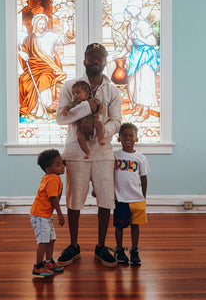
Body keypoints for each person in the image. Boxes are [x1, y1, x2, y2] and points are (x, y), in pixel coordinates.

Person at [55, 43, 122, 267]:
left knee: (105, 199)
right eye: (91, 58)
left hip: (103, 151)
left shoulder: (113, 91)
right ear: (84, 60)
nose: (95, 61)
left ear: (105, 62)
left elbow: (117, 121)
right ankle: (73, 246)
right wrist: (87, 107)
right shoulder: (70, 86)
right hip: (76, 151)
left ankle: (101, 246)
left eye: (100, 58)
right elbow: (61, 118)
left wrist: (96, 131)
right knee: (74, 200)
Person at [19, 13, 72, 118]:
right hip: (33, 68)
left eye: (44, 23)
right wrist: (21, 53)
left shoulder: (51, 36)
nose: (42, 26)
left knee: (44, 78)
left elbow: (65, 39)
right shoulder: (28, 39)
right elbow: (22, 52)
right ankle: (35, 107)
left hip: (48, 68)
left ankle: (41, 106)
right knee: (23, 80)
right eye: (40, 24)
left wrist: (71, 26)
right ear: (35, 25)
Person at [112, 5, 159, 122]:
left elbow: (153, 41)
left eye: (126, 13)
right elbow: (130, 44)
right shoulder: (129, 26)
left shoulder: (143, 25)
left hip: (146, 57)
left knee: (145, 82)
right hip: (135, 55)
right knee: (135, 82)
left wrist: (140, 38)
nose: (124, 15)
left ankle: (146, 111)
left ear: (132, 14)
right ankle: (138, 107)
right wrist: (120, 55)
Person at [113, 123, 150, 266]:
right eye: (124, 135)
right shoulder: (115, 155)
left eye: (131, 135)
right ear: (119, 138)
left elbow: (144, 178)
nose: (128, 138)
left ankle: (134, 250)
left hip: (137, 198)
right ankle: (119, 249)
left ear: (136, 138)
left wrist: (144, 196)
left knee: (135, 226)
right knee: (120, 226)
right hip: (121, 198)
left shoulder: (140, 158)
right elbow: (108, 173)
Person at [30, 149, 66, 278]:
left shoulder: (53, 177)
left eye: (62, 163)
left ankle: (49, 262)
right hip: (40, 215)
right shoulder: (52, 179)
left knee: (51, 239)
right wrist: (60, 215)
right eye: (58, 164)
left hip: (45, 215)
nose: (62, 166)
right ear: (49, 169)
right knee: (43, 241)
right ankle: (38, 267)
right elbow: (53, 198)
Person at [61, 81, 105, 159]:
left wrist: (98, 113)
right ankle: (87, 152)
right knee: (79, 137)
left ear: (86, 93)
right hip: (81, 127)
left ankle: (100, 139)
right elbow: (67, 107)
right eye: (73, 94)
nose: (75, 95)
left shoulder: (93, 100)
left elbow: (101, 106)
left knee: (100, 124)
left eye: (78, 92)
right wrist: (65, 110)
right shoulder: (75, 103)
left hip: (93, 122)